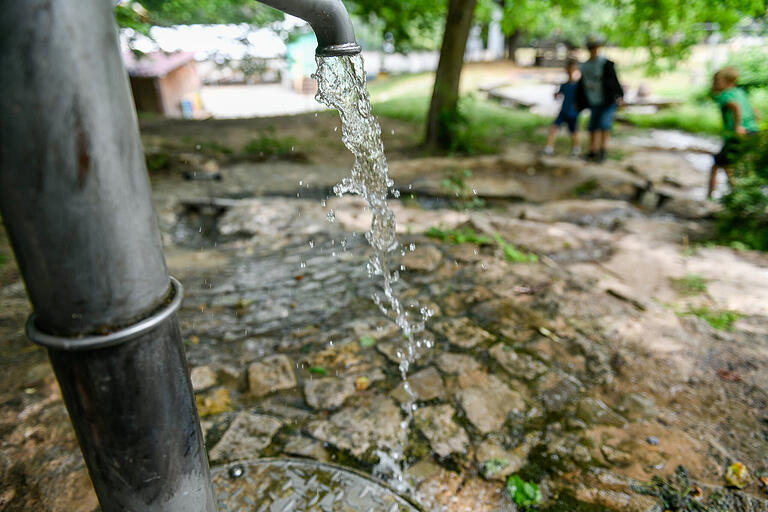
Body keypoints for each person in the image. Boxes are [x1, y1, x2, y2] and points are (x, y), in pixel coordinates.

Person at [708, 66, 759, 199]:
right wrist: (753, 124)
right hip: (752, 131)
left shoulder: (725, 95)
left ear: (729, 82)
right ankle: (737, 194)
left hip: (737, 134)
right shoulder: (740, 92)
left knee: (717, 165)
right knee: (735, 164)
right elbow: (755, 111)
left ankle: (710, 197)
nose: (714, 85)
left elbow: (735, 107)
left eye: (717, 82)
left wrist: (738, 126)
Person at [575, 35, 624, 162]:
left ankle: (603, 151)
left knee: (604, 125)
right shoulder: (585, 66)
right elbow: (581, 85)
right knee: (593, 126)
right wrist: (578, 101)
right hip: (593, 101)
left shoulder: (605, 64)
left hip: (606, 101)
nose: (593, 50)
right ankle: (593, 151)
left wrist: (620, 96)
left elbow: (614, 81)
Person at [543, 59, 581, 157]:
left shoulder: (578, 86)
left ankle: (576, 150)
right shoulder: (564, 85)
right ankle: (549, 148)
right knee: (553, 128)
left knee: (574, 132)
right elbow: (558, 97)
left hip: (573, 113)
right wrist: (555, 94)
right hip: (563, 112)